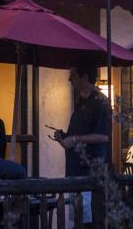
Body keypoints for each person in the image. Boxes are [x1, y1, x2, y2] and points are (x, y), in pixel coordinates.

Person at [52, 63, 111, 228]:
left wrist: (75, 139)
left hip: (89, 173)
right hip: (74, 172)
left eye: (73, 76)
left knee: (88, 222)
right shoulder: (80, 103)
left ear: (85, 77)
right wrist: (63, 138)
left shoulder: (100, 102)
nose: (70, 80)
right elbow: (75, 138)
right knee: (78, 221)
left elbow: (104, 136)